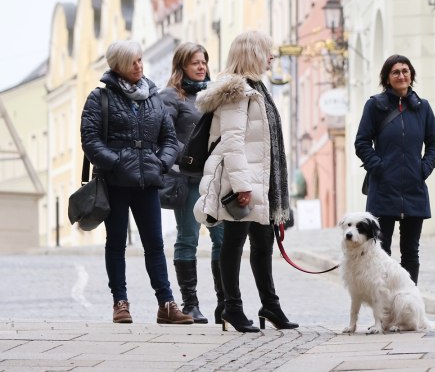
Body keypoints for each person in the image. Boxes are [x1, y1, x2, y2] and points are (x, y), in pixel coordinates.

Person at [80, 40, 193, 325]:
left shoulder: (153, 97)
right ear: (118, 65)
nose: (139, 66)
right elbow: (90, 140)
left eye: (140, 60)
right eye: (133, 62)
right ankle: (120, 303)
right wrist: (118, 162)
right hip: (115, 183)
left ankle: (166, 305)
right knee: (116, 243)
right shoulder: (100, 98)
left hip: (148, 184)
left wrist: (161, 163)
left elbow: (170, 139)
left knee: (155, 244)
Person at [193, 31, 297, 333]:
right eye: (267, 51)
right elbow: (232, 141)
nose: (272, 56)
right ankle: (232, 307)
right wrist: (242, 186)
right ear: (252, 54)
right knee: (234, 243)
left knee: (263, 245)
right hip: (243, 182)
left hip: (261, 182)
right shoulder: (236, 91)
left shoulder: (257, 88)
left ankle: (270, 305)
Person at [354, 54, 435, 285]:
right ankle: (384, 302)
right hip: (383, 190)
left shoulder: (423, 108)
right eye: (395, 72)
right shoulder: (375, 106)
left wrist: (423, 169)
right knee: (381, 253)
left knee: (411, 253)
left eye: (405, 71)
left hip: (414, 189)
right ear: (387, 78)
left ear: (411, 75)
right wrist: (379, 167)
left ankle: (408, 300)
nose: (401, 75)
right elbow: (361, 142)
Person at [159, 42, 224, 324]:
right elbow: (164, 136)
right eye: (195, 62)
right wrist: (187, 156)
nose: (201, 67)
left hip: (216, 178)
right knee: (188, 237)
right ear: (182, 65)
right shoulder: (170, 97)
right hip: (187, 179)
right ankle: (190, 304)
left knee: (222, 239)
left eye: (204, 62)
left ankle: (225, 302)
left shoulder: (214, 94)